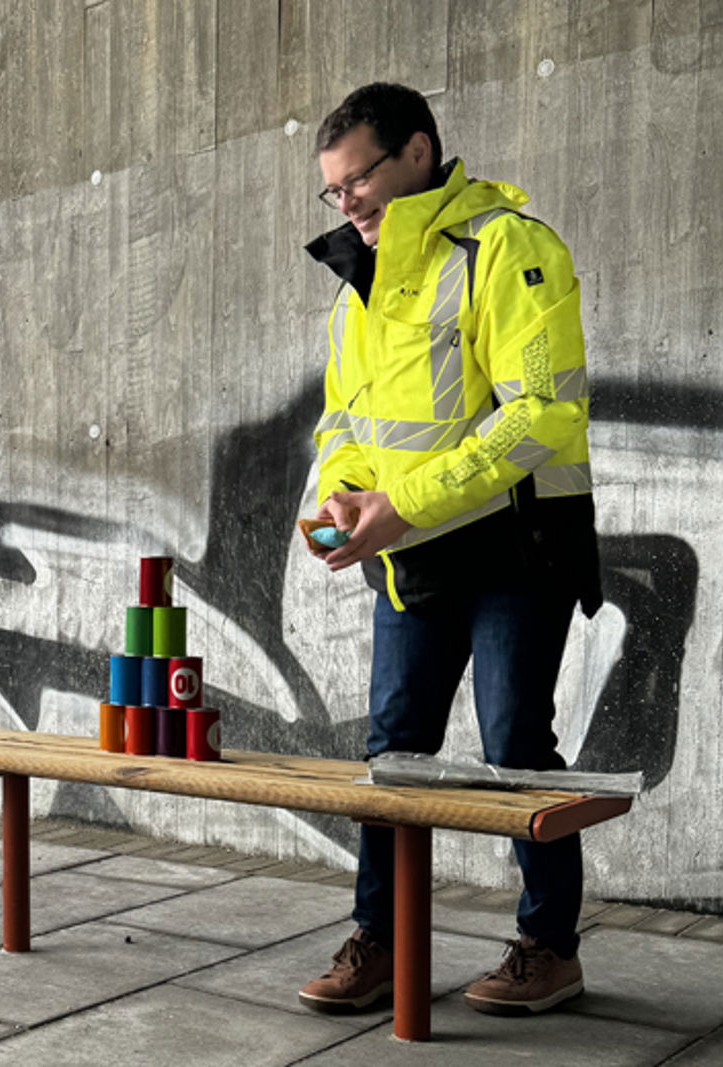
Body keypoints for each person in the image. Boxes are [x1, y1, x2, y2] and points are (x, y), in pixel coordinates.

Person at [298, 83, 601, 1016]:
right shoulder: (362, 284)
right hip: (413, 550)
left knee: (515, 744)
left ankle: (550, 946)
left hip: (518, 544)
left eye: (359, 179)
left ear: (419, 153)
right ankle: (382, 940)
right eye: (334, 189)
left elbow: (541, 413)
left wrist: (402, 504)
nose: (347, 201)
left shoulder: (510, 249)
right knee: (394, 751)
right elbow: (344, 420)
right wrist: (342, 495)